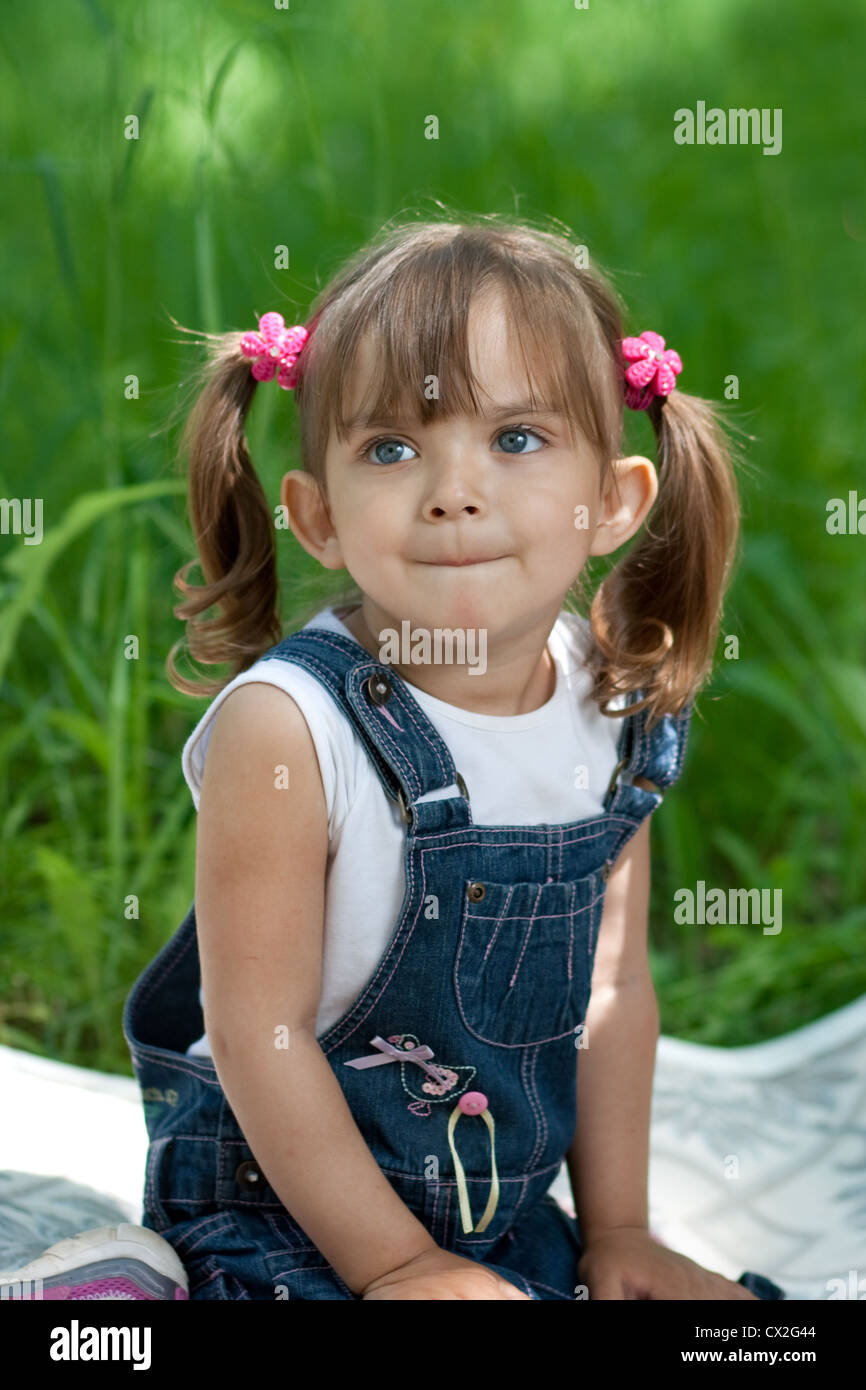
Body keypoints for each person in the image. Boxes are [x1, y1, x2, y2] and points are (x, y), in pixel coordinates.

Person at [118, 213, 785, 1301]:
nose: (452, 490)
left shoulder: (606, 702)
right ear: (319, 516)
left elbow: (610, 992)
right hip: (277, 1206)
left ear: (612, 500)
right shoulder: (289, 727)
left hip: (491, 1204)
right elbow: (256, 1031)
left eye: (516, 439)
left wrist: (616, 1231)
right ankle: (117, 1294)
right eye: (392, 447)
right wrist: (398, 1265)